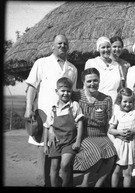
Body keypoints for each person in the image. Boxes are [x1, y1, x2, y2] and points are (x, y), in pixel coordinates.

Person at [24, 34, 78, 187]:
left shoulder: (72, 69)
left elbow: (72, 94)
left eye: (65, 44)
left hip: (65, 118)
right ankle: (42, 182)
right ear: (52, 46)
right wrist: (29, 108)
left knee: (63, 152)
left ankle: (60, 182)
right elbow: (32, 86)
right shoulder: (41, 63)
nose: (62, 46)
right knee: (44, 151)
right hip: (44, 115)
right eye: (59, 43)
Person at [72, 68, 117, 187]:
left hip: (101, 134)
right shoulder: (76, 96)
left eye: (95, 80)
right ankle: (85, 183)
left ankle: (98, 184)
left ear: (99, 80)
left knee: (111, 155)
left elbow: (108, 122)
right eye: (89, 81)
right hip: (83, 134)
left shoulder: (106, 99)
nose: (92, 84)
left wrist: (103, 120)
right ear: (83, 82)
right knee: (96, 151)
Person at [43, 77, 84, 187]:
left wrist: (78, 142)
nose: (66, 93)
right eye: (63, 90)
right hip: (55, 143)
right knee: (54, 166)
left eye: (68, 91)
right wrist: (45, 145)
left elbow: (80, 124)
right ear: (57, 91)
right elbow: (47, 126)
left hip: (70, 142)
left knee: (65, 165)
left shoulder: (74, 105)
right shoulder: (53, 108)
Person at [108, 88, 135, 187]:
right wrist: (119, 133)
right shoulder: (117, 114)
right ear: (120, 101)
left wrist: (132, 131)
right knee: (116, 170)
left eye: (130, 102)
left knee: (127, 173)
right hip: (119, 146)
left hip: (130, 145)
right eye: (125, 101)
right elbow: (110, 130)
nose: (127, 104)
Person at [85, 36, 122, 103]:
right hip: (97, 101)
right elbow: (86, 86)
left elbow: (120, 88)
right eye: (103, 47)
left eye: (108, 47)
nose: (106, 50)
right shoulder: (91, 63)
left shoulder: (117, 65)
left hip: (114, 102)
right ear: (98, 49)